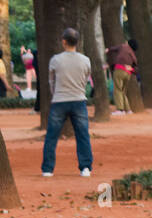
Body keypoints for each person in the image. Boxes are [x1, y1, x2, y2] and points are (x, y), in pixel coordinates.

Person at [41, 27, 93, 178]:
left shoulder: (55, 60)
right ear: (77, 42)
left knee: (51, 135)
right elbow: (86, 79)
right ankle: (85, 168)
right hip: (79, 100)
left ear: (64, 41)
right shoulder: (85, 60)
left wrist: (55, 94)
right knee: (83, 134)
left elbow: (51, 81)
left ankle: (48, 169)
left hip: (59, 101)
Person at [107, 41, 138, 114]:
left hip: (119, 70)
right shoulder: (133, 54)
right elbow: (135, 65)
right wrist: (132, 70)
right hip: (128, 73)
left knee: (117, 90)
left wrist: (108, 49)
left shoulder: (124, 46)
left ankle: (120, 110)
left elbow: (115, 48)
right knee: (123, 91)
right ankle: (128, 110)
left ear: (128, 43)